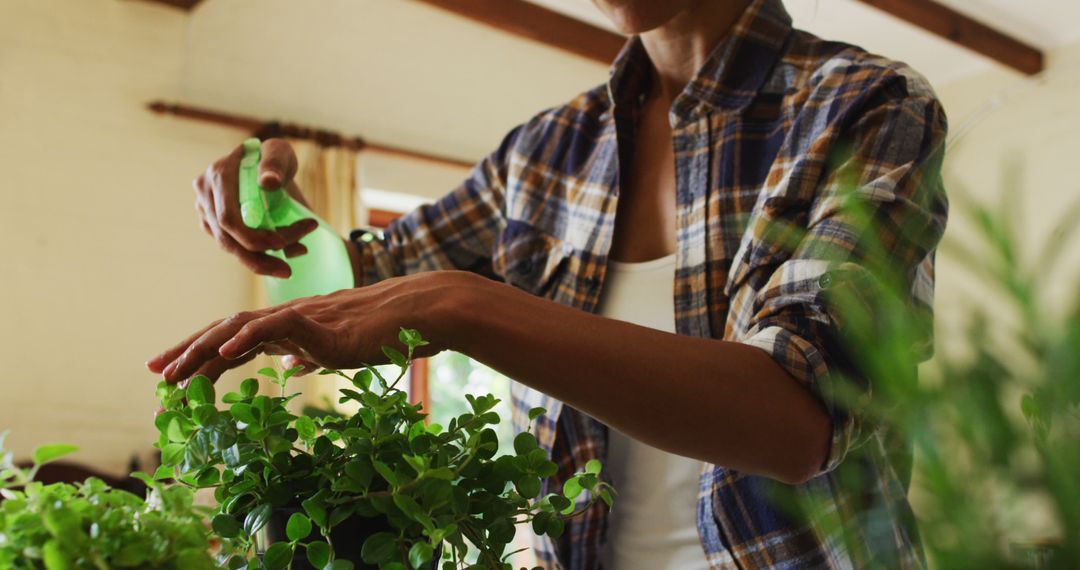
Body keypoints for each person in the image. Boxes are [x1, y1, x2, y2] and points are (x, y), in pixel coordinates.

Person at [148, 0, 947, 567]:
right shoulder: (544, 151)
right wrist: (269, 197)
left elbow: (797, 418)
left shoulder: (864, 104)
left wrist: (467, 305)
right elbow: (365, 280)